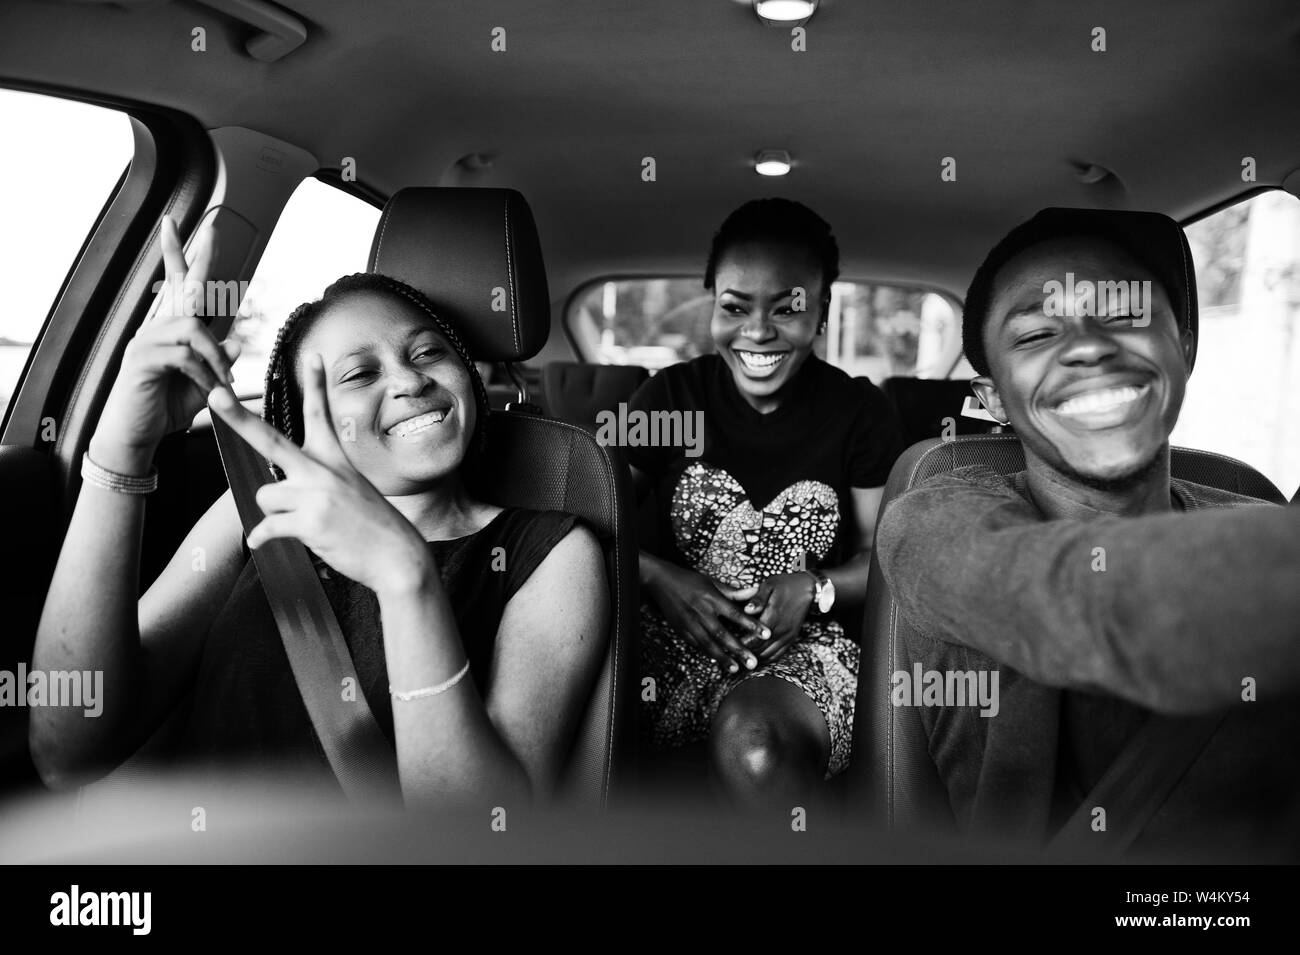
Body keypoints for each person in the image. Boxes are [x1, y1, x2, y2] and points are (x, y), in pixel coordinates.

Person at [30, 217, 609, 807]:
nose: (410, 379)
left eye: (429, 352)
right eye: (361, 373)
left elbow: (485, 832)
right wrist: (123, 447)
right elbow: (67, 753)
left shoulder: (553, 553)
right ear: (307, 421)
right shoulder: (259, 511)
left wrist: (406, 580)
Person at [874, 207, 1300, 856]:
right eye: (1038, 333)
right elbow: (1083, 599)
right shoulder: (933, 520)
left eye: (1125, 314)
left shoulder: (1259, 516)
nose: (1088, 345)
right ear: (990, 398)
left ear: (1181, 347)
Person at [626, 199, 908, 803]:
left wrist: (815, 588)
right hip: (673, 634)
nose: (757, 332)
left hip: (804, 646)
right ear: (713, 307)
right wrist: (658, 578)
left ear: (822, 312)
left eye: (787, 309)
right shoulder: (671, 398)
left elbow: (884, 559)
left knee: (756, 746)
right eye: (735, 308)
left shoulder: (859, 414)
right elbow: (586, 519)